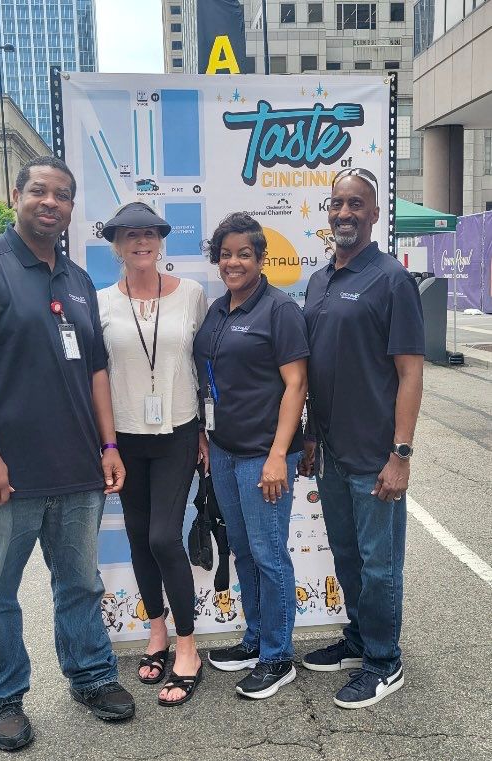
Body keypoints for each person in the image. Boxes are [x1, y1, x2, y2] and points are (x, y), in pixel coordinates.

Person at [0, 156, 135, 752]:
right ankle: (1, 697)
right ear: (15, 197)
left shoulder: (74, 280)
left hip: (75, 469)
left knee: (80, 583)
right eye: (39, 191)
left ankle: (91, 676)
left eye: (62, 195)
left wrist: (108, 445)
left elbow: (95, 368)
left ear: (72, 209)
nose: (51, 202)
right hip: (2, 475)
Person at [299, 168, 424, 709]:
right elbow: (314, 368)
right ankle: (358, 640)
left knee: (379, 564)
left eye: (356, 204)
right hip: (329, 451)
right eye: (337, 204)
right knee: (347, 558)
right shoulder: (319, 279)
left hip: (375, 456)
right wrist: (308, 435)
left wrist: (401, 454)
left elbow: (412, 372)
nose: (345, 213)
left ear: (375, 214)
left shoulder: (391, 279)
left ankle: (383, 661)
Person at [193, 212, 309, 700]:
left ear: (261, 259)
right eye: (225, 254)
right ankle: (256, 638)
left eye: (244, 253)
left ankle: (279, 657)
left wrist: (279, 454)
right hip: (222, 450)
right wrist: (203, 433)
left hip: (264, 455)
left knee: (269, 555)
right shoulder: (218, 309)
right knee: (243, 552)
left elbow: (296, 384)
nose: (233, 262)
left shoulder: (279, 310)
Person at [98, 202, 208, 707]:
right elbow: (97, 376)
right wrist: (108, 445)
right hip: (126, 437)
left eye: (149, 233)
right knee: (141, 537)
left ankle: (188, 646)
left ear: (161, 241)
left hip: (178, 432)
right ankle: (158, 632)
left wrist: (206, 430)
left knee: (165, 536)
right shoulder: (101, 303)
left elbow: (204, 365)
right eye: (129, 235)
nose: (141, 241)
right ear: (116, 244)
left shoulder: (191, 295)